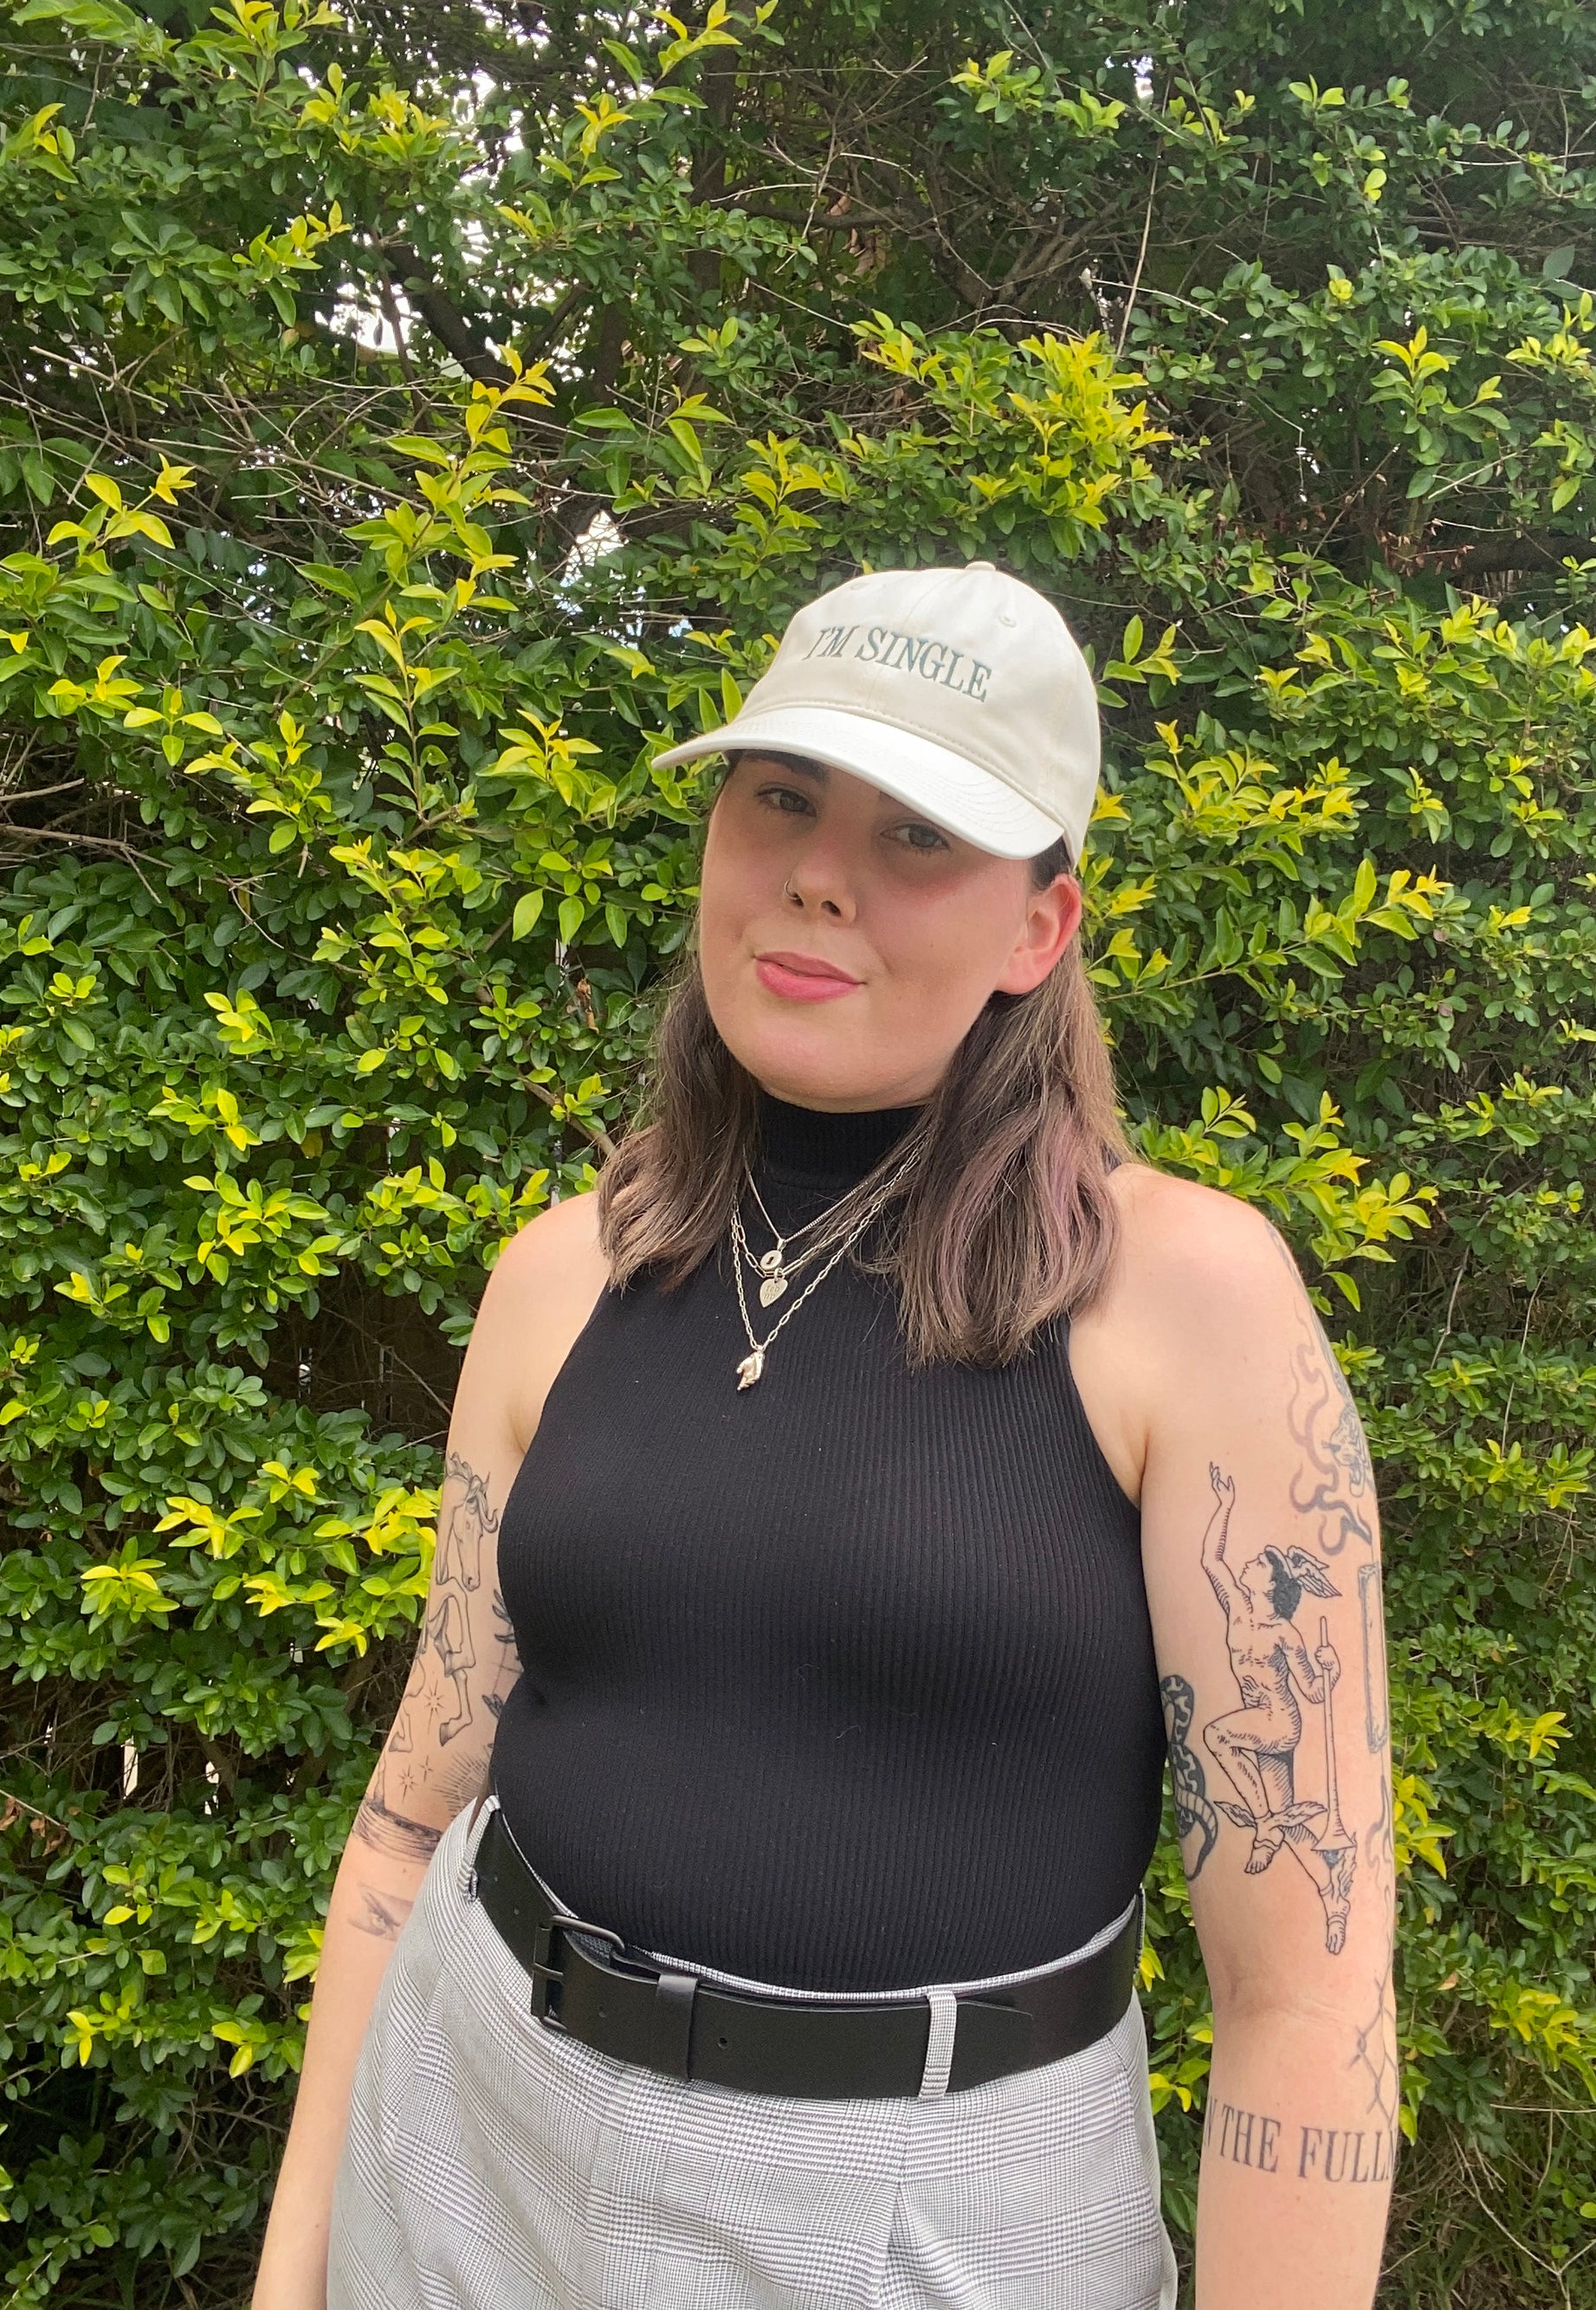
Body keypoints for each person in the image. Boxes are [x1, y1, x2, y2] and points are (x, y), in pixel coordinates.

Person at [252, 561, 1397, 2310]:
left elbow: (1307, 1997)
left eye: (919, 830)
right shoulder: (561, 1275)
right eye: (779, 796)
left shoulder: (1191, 1304)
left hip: (914, 2217)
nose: (817, 871)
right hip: (466, 2126)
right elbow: (413, 1813)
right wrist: (298, 2266)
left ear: (1039, 926)